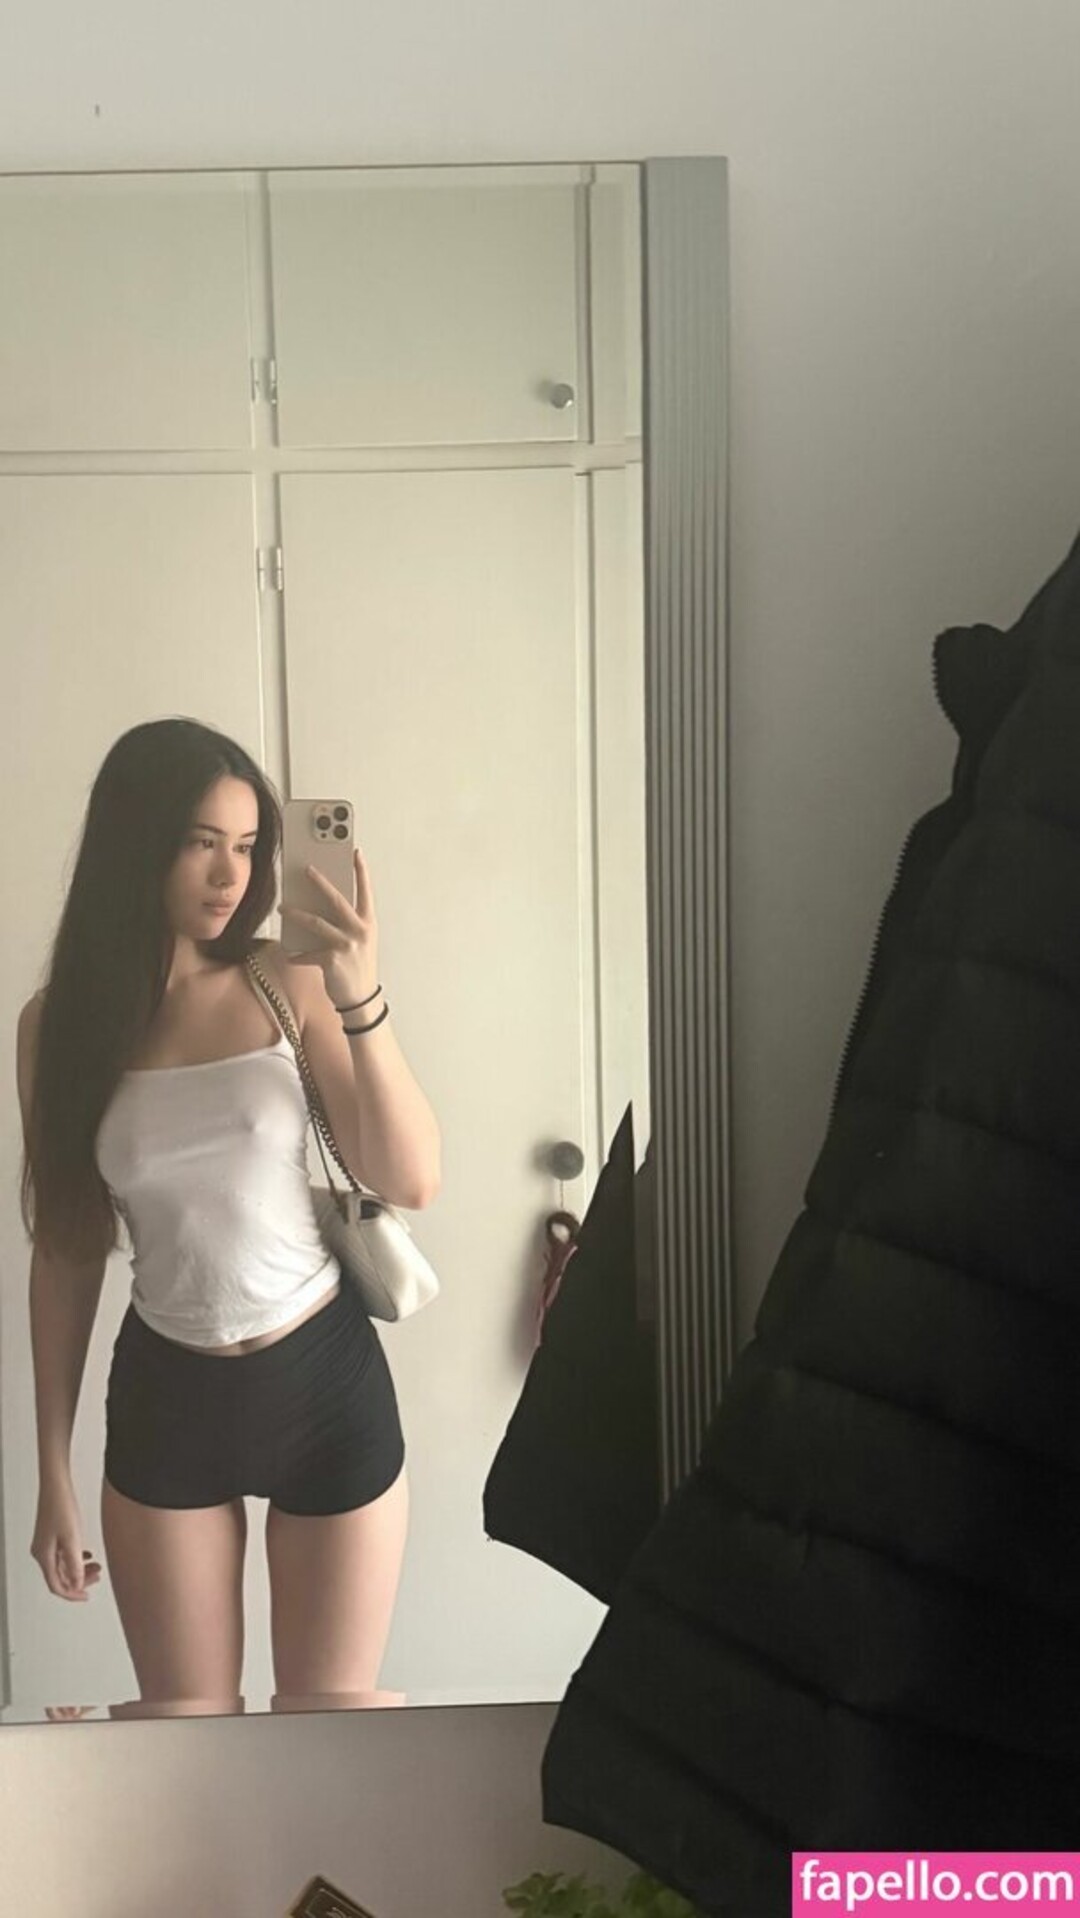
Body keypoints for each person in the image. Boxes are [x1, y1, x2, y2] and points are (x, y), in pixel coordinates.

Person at [15, 717, 440, 1715]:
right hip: (168, 1398)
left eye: (248, 846)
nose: (230, 874)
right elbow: (67, 1252)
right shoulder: (55, 1027)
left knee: (333, 1733)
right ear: (136, 840)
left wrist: (360, 995)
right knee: (186, 1738)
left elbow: (412, 1179)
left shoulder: (286, 977)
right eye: (203, 841)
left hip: (325, 1382)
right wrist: (52, 1472)